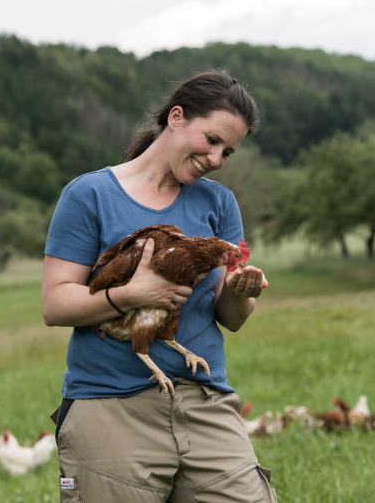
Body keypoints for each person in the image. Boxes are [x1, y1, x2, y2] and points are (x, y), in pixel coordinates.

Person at [41, 71, 277, 503]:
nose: (218, 157)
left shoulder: (219, 203)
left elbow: (231, 318)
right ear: (176, 117)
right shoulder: (89, 194)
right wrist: (131, 295)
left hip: (203, 400)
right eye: (212, 139)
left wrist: (241, 292)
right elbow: (55, 305)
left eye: (229, 151)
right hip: (110, 402)